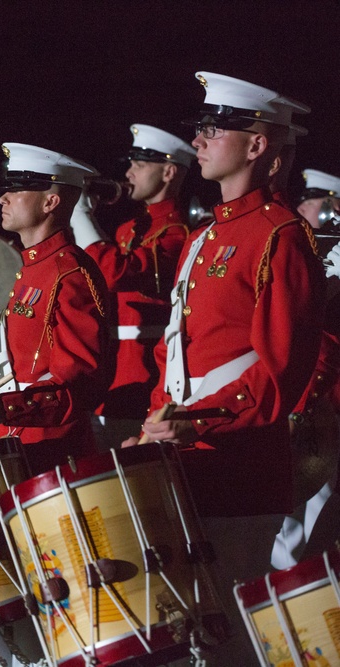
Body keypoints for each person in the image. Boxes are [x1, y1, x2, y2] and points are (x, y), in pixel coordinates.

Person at [122, 72, 325, 664]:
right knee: (178, 631)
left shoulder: (280, 235)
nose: (202, 139)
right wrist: (156, 420)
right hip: (183, 457)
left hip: (239, 469)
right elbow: (177, 351)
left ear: (258, 146)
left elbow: (283, 368)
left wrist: (201, 420)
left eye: (216, 128)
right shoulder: (207, 234)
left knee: (227, 638)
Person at [0, 143, 115, 479]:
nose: (2, 199)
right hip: (11, 442)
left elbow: (80, 386)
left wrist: (6, 409)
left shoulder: (70, 273)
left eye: (17, 190)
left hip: (47, 453)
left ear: (50, 201)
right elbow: (16, 366)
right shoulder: (35, 266)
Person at [71, 124, 195, 448]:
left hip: (142, 379)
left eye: (139, 165)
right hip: (108, 379)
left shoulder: (177, 233)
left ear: (169, 171)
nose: (129, 173)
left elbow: (114, 273)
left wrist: (82, 218)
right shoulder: (130, 228)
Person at [272, 167, 340, 569]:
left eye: (312, 200)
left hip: (325, 405)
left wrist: (304, 402)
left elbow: (326, 339)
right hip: (308, 399)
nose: (300, 206)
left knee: (309, 518)